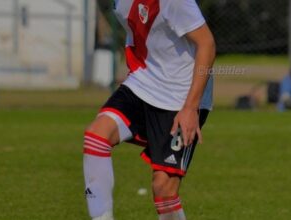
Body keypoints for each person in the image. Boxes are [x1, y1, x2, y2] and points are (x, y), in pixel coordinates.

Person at [83, 0, 215, 219]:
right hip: (144, 83)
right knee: (96, 136)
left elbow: (207, 44)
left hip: (181, 96)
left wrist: (191, 108)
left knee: (164, 190)